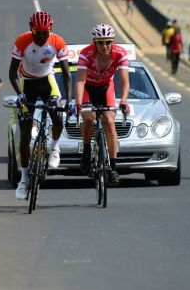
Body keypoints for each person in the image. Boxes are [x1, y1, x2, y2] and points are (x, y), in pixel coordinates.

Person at [9, 11, 72, 200]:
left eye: (45, 32)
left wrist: (69, 101)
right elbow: (12, 73)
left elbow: (67, 74)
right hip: (27, 83)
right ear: (31, 28)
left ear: (50, 30)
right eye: (37, 32)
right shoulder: (22, 41)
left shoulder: (57, 42)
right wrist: (20, 95)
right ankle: (24, 179)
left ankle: (55, 147)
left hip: (47, 81)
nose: (41, 36)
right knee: (25, 134)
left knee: (58, 116)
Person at [73, 24, 130, 185]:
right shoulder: (86, 54)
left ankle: (113, 167)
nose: (105, 46)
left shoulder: (120, 53)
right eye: (100, 43)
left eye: (108, 42)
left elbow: (125, 81)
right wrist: (78, 103)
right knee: (89, 119)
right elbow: (80, 80)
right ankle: (86, 151)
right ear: (94, 43)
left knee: (110, 122)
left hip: (105, 87)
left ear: (113, 42)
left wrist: (123, 101)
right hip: (88, 88)